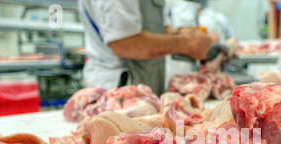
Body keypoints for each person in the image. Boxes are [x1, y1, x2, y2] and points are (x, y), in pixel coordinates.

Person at [78, 0, 212, 95]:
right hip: (117, 91)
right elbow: (124, 44)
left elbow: (162, 29)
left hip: (148, 86)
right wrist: (187, 43)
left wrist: (187, 35)